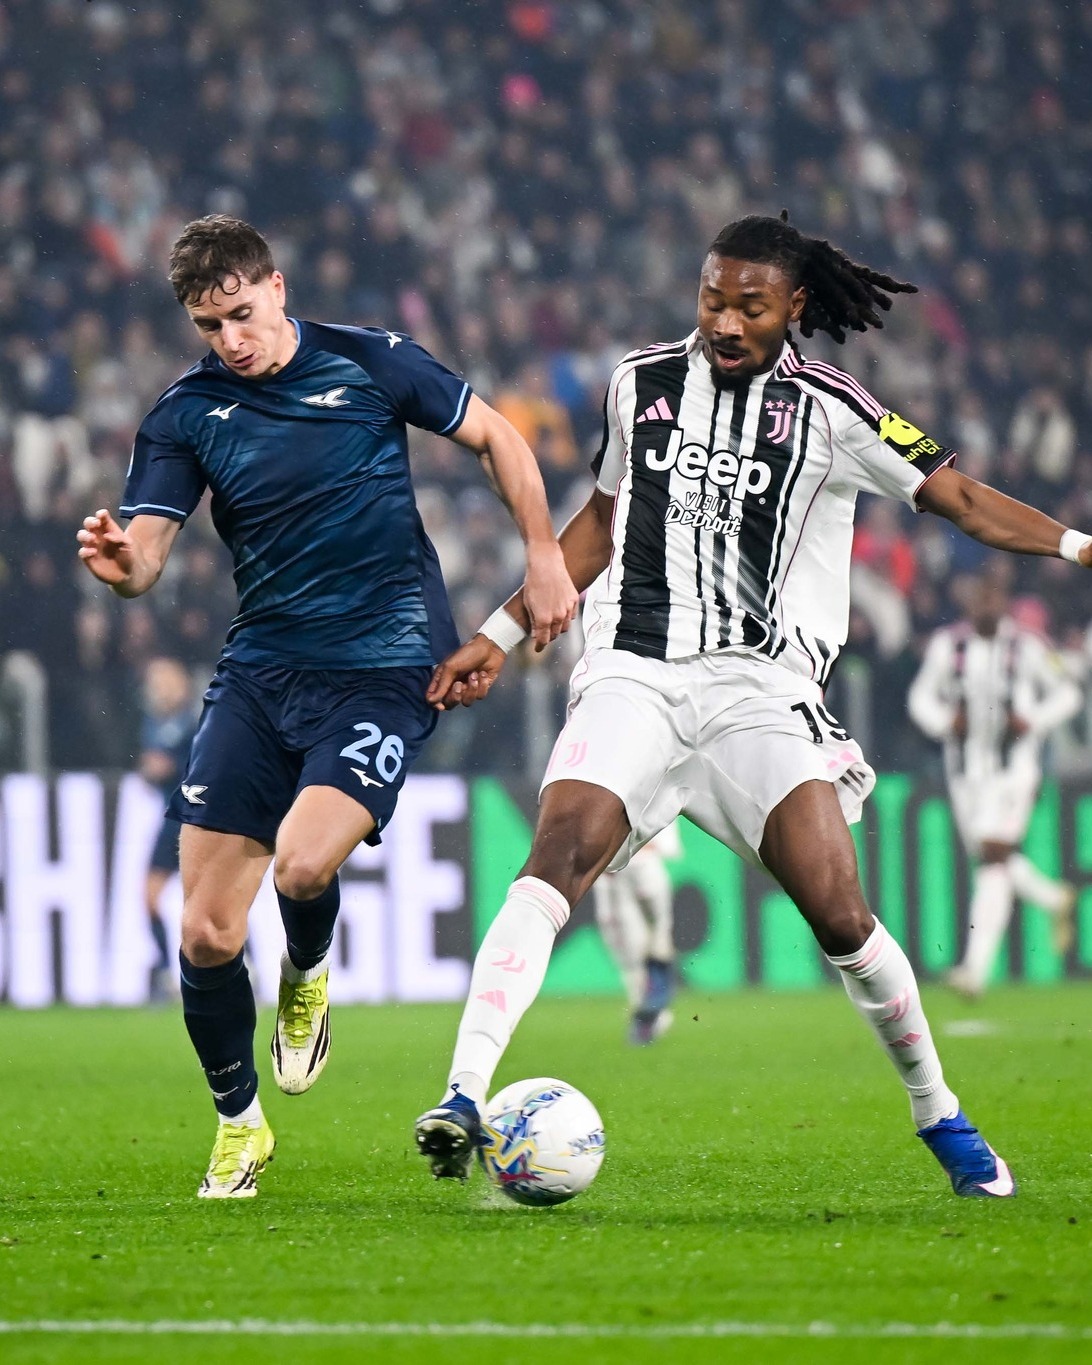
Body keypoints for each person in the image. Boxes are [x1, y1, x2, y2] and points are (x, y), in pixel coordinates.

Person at [415, 212, 1092, 1201]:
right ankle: (462, 1095)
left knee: (841, 914)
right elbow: (601, 522)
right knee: (555, 856)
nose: (726, 323)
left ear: (795, 307)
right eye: (713, 300)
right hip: (635, 672)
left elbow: (960, 499)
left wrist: (1078, 546)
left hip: (757, 694)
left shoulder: (833, 410)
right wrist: (501, 630)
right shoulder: (639, 384)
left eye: (751, 306)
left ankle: (939, 1111)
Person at [77, 214, 578, 1199]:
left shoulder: (369, 361)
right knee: (205, 932)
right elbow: (146, 558)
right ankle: (239, 1125)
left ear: (276, 286)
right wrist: (121, 564)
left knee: (304, 863)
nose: (231, 339)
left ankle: (306, 972)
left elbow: (497, 437)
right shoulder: (185, 414)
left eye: (242, 313)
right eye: (209, 325)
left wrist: (544, 554)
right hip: (262, 672)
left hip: (386, 667)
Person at [907, 570, 1080, 999]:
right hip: (965, 773)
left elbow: (1068, 695)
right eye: (979, 598)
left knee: (992, 857)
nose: (986, 606)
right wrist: (945, 722)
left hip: (1013, 770)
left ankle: (975, 971)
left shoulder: (1028, 646)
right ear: (969, 602)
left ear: (1003, 601)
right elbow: (920, 698)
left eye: (993, 598)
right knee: (992, 861)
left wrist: (1033, 720)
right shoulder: (949, 645)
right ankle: (1053, 897)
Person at [137, 655, 198, 1002]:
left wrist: (169, 766)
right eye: (155, 682)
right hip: (169, 820)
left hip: (191, 816)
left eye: (166, 681)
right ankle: (163, 971)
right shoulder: (153, 723)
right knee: (150, 897)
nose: (160, 689)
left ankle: (245, 963)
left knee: (209, 899)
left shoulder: (195, 722)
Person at [593, 819, 681, 1044]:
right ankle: (647, 1011)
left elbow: (667, 844)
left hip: (644, 867)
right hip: (615, 877)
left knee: (658, 941)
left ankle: (656, 1005)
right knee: (629, 949)